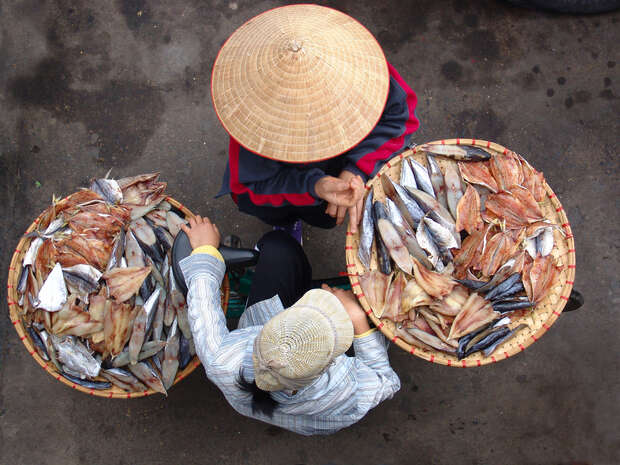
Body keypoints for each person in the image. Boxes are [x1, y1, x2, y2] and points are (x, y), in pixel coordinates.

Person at [212, 4, 420, 240]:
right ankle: (286, 224)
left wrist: (356, 170)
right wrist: (315, 185)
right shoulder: (254, 127)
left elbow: (399, 117)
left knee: (325, 215)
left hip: (343, 162)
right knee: (283, 211)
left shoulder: (366, 71)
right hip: (290, 182)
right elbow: (254, 186)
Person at [179, 215, 400, 435]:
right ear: (329, 364)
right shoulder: (344, 388)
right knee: (286, 250)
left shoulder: (222, 360)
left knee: (278, 244)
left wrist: (205, 250)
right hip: (316, 423)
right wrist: (360, 323)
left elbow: (203, 307)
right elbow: (386, 381)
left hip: (252, 397)